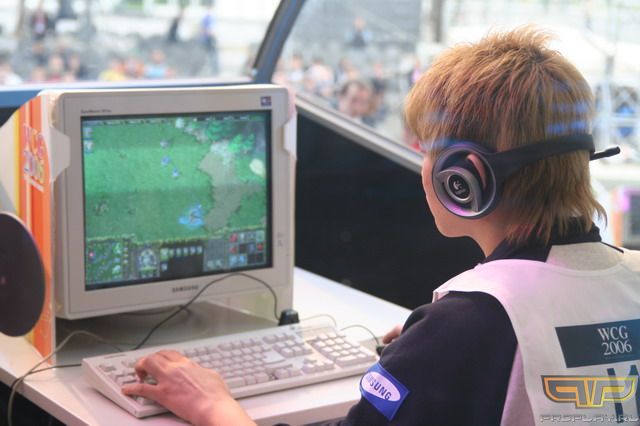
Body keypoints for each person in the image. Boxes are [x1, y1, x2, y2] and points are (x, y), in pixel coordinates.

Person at [122, 27, 640, 425]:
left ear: (462, 178)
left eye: (429, 149)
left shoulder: (468, 326)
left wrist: (211, 404)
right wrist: (426, 353)